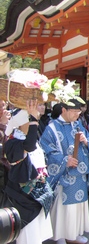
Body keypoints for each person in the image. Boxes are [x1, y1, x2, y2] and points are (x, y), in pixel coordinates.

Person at [40, 99, 89, 244]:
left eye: (79, 111)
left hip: (80, 173)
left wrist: (86, 141)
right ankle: (61, 236)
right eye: (75, 111)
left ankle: (75, 233)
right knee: (65, 208)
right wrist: (64, 160)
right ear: (64, 110)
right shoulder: (52, 128)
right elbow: (46, 150)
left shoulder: (78, 125)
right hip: (64, 174)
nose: (78, 114)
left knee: (78, 207)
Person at [4, 100, 54, 244]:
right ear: (20, 125)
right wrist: (33, 118)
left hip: (34, 190)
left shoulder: (27, 139)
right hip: (22, 192)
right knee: (27, 231)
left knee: (36, 230)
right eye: (29, 122)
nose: (33, 125)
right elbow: (29, 146)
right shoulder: (12, 143)